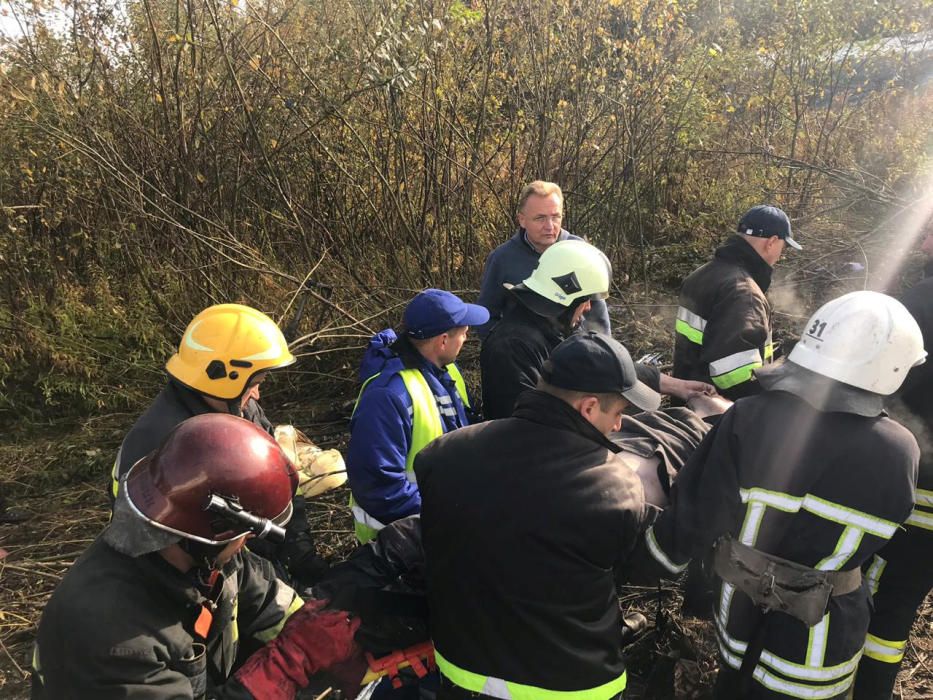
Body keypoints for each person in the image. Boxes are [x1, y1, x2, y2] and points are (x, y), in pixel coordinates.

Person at [637, 291, 925, 699]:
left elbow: (695, 517)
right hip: (823, 648)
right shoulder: (899, 451)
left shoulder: (748, 417)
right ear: (891, 367)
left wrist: (646, 559)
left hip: (737, 624)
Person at [33, 413, 365, 699]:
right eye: (244, 535)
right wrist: (287, 665)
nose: (246, 543)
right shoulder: (114, 638)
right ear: (215, 531)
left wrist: (324, 634)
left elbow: (265, 600)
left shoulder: (203, 553)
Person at [416, 331, 662, 699]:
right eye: (619, 413)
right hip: (570, 685)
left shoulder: (443, 453)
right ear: (589, 408)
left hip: (462, 671)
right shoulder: (616, 486)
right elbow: (629, 567)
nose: (618, 427)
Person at [111, 303, 328, 586]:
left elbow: (279, 478)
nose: (258, 394)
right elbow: (181, 551)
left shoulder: (239, 408)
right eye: (256, 383)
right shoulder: (163, 442)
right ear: (224, 375)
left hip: (250, 559)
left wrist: (299, 552)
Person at [481, 238, 713, 420]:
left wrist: (678, 387)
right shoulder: (512, 347)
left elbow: (602, 364)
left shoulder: (555, 327)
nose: (589, 307)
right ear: (567, 295)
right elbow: (528, 426)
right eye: (587, 300)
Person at [853, 229, 933, 699]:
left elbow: (879, 387)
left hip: (918, 487)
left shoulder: (919, 304)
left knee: (886, 604)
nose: (922, 244)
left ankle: (866, 691)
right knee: (907, 597)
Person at [346, 289, 489, 544]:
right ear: (443, 341)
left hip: (439, 525)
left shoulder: (446, 372)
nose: (467, 337)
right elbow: (380, 489)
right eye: (463, 332)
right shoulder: (388, 397)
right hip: (400, 544)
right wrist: (453, 511)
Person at [673, 205, 801, 400]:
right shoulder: (744, 294)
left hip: (687, 404)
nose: (781, 255)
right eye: (783, 247)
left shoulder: (702, 274)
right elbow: (736, 377)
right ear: (772, 242)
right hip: (718, 417)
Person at [476, 180, 610, 337]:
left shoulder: (582, 254)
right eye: (540, 218)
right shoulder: (502, 259)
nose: (549, 226)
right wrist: (504, 351)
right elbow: (486, 317)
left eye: (555, 217)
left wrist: (598, 354)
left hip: (576, 353)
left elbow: (599, 319)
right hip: (524, 355)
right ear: (522, 220)